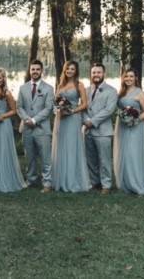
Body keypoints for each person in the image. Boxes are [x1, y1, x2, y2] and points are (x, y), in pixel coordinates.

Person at [113, 69, 144, 195]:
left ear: (135, 78)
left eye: (131, 76)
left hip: (135, 127)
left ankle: (136, 182)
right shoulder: (121, 93)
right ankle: (125, 182)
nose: (128, 78)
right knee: (124, 153)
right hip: (122, 126)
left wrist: (135, 119)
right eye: (126, 76)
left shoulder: (140, 93)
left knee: (133, 153)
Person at [51, 60, 90, 193]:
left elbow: (85, 104)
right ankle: (60, 180)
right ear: (64, 70)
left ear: (76, 71)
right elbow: (55, 102)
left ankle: (73, 180)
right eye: (68, 69)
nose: (70, 71)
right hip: (60, 119)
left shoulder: (79, 85)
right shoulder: (60, 85)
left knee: (72, 147)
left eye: (72, 69)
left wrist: (72, 111)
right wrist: (58, 109)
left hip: (73, 118)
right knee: (61, 147)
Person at [0, 68, 26, 192]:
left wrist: (2, 116)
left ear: (4, 79)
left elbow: (14, 110)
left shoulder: (6, 93)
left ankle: (5, 180)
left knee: (3, 151)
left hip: (3, 125)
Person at [17, 60, 54, 192]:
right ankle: (31, 179)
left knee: (45, 157)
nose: (35, 71)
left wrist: (34, 120)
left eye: (38, 69)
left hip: (42, 128)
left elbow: (48, 108)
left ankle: (47, 182)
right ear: (29, 71)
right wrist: (27, 119)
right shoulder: (23, 88)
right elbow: (19, 107)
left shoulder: (48, 89)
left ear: (41, 71)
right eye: (33, 69)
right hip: (27, 128)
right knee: (29, 156)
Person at [83, 63, 118, 194]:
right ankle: (94, 182)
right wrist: (86, 120)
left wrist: (92, 121)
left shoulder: (112, 91)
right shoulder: (86, 90)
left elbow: (109, 110)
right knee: (90, 158)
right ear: (90, 74)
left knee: (104, 159)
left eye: (98, 72)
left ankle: (106, 185)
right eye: (94, 73)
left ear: (104, 74)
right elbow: (83, 107)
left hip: (103, 131)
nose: (96, 75)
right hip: (88, 130)